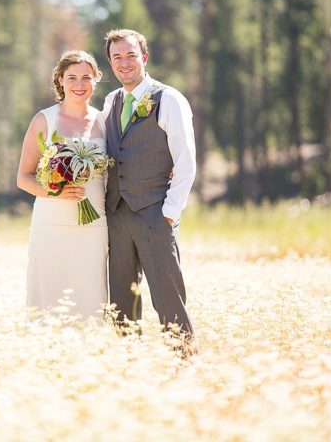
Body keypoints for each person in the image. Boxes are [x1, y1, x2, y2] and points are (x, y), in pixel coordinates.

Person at [101, 29, 197, 337]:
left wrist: (170, 212)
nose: (124, 63)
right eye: (117, 57)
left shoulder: (169, 99)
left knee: (168, 299)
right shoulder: (111, 101)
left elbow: (185, 162)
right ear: (111, 63)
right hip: (117, 215)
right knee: (121, 301)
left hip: (155, 213)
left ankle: (183, 362)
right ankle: (129, 367)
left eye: (130, 55)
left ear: (144, 57)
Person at [16, 50, 108, 318]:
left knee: (91, 292)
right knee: (49, 292)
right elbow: (23, 177)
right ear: (60, 80)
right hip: (51, 221)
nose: (79, 84)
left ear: (95, 81)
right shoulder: (44, 119)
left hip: (94, 223)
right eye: (72, 77)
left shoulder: (104, 121)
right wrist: (57, 192)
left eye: (86, 78)